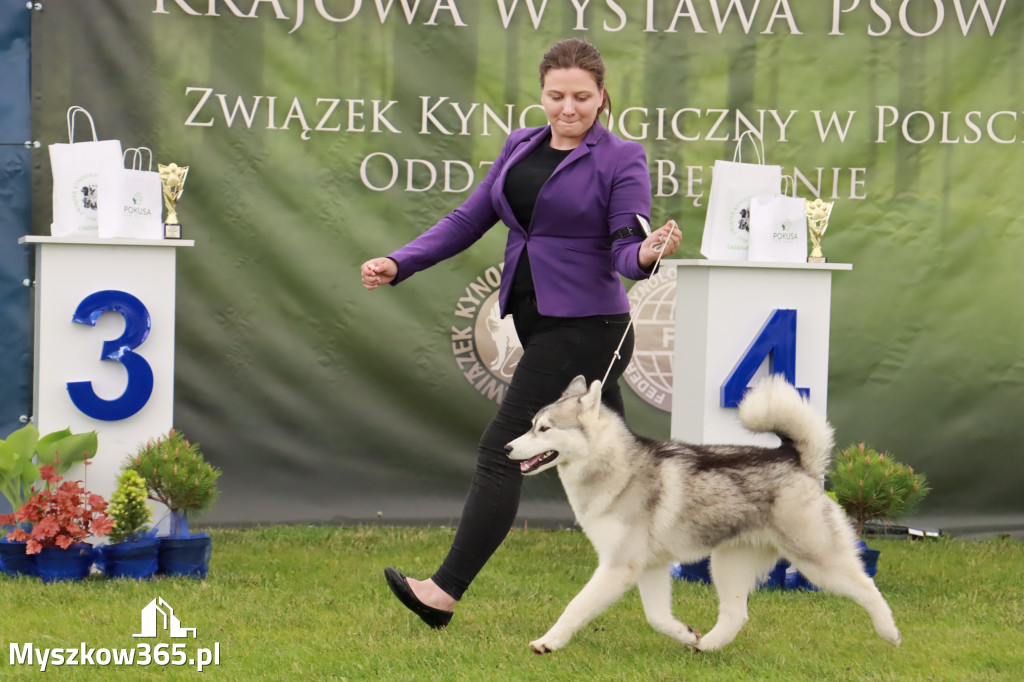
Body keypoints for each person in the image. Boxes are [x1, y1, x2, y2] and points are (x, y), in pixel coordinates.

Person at [360, 38, 681, 629]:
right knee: (620, 468)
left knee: (502, 451)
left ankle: (443, 592)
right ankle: (652, 563)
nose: (568, 108)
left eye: (582, 97)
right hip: (539, 323)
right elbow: (469, 217)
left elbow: (625, 250)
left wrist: (648, 253)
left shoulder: (621, 157)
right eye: (556, 95)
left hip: (589, 330)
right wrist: (400, 262)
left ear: (602, 96)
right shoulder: (521, 145)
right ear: (542, 93)